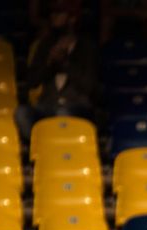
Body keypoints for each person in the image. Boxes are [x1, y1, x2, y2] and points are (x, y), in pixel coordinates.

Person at [18, 0, 97, 134]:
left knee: (61, 113)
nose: (53, 17)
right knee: (21, 113)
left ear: (72, 19)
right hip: (46, 105)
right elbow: (31, 82)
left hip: (76, 106)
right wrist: (48, 63)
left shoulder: (86, 47)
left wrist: (65, 63)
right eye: (52, 13)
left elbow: (89, 86)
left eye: (59, 14)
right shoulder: (45, 45)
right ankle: (42, 146)